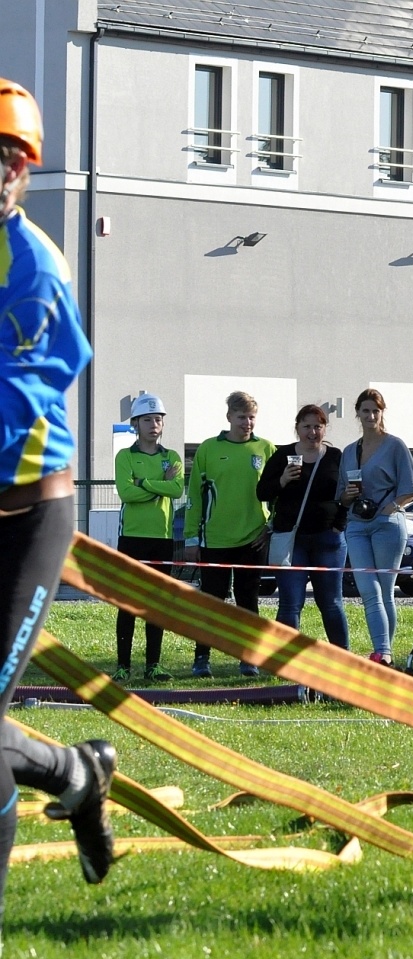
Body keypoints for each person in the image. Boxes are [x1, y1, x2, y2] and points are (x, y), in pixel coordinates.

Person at [0, 76, 116, 895]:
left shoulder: (33, 266)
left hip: (27, 520)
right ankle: (76, 773)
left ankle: (76, 772)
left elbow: (28, 405)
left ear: (26, 173)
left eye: (11, 159)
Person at [187, 391, 275, 677]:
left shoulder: (266, 448)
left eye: (251, 417)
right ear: (229, 417)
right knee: (212, 602)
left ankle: (248, 657)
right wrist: (191, 537)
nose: (247, 423)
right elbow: (195, 498)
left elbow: (278, 493)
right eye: (241, 417)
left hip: (253, 538)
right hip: (215, 539)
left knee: (248, 600)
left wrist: (271, 525)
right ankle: (202, 658)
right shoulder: (208, 449)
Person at [337, 389, 413, 667]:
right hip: (356, 525)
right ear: (357, 414)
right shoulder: (350, 451)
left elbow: (412, 488)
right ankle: (383, 652)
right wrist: (348, 495)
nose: (371, 415)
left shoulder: (395, 445)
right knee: (368, 588)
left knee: (384, 590)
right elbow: (341, 495)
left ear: (382, 413)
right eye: (365, 410)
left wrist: (392, 507)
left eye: (376, 410)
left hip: (387, 525)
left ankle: (383, 653)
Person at [258, 404, 349, 649]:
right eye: (306, 426)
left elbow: (349, 493)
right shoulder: (282, 455)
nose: (312, 432)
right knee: (290, 602)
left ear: (325, 429)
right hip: (291, 539)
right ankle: (285, 660)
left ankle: (344, 659)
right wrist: (283, 479)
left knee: (331, 603)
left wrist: (339, 525)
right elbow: (262, 492)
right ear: (297, 428)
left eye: (317, 427)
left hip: (328, 540)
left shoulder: (335, 456)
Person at [113, 392, 183, 682]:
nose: (154, 424)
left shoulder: (172, 457)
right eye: (147, 420)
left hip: (162, 538)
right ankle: (123, 666)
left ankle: (153, 665)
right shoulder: (125, 456)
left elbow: (177, 490)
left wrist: (144, 482)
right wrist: (159, 485)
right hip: (132, 538)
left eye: (158, 419)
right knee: (128, 602)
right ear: (135, 424)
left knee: (157, 603)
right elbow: (126, 493)